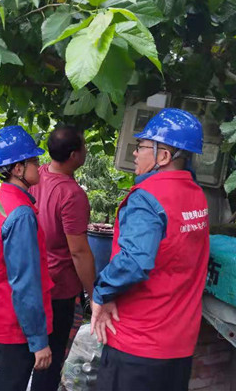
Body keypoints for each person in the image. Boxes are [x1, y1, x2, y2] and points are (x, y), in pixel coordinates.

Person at [90, 108, 210, 391]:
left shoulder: (148, 198)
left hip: (137, 345)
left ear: (163, 156)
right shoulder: (195, 195)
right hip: (178, 346)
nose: (135, 153)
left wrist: (101, 292)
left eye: (142, 146)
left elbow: (133, 262)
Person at [0, 125, 54, 390]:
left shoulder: (0, 200)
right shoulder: (21, 214)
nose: (39, 166)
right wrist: (38, 341)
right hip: (11, 329)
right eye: (34, 160)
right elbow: (25, 283)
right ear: (18, 169)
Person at [30, 125, 95, 391]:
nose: (86, 150)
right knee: (51, 358)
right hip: (59, 290)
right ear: (73, 155)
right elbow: (78, 251)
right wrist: (94, 293)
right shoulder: (71, 195)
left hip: (33, 281)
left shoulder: (37, 175)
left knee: (34, 352)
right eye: (83, 146)